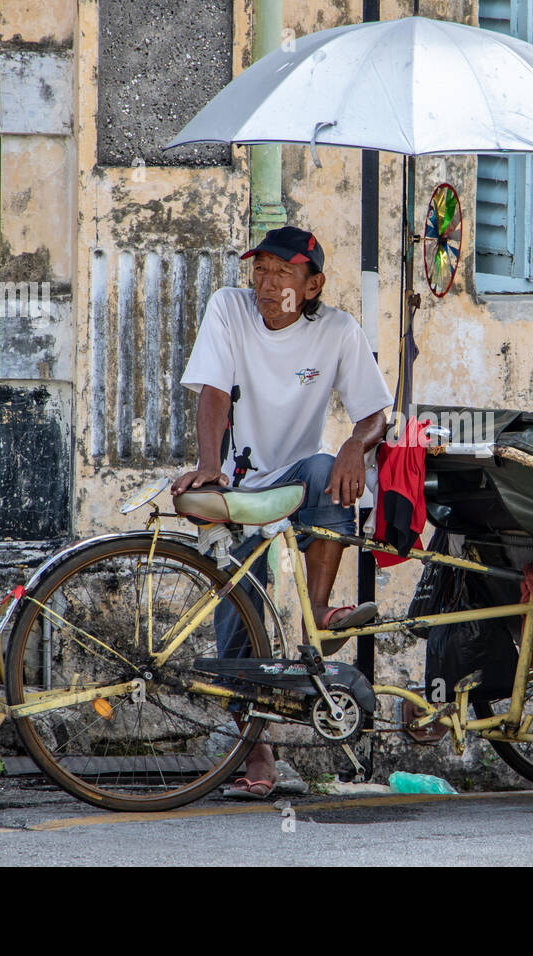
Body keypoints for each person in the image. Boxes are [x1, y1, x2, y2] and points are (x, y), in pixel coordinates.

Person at [172, 225, 392, 797]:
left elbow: (376, 414)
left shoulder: (338, 331)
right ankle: (257, 751)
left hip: (299, 483)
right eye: (260, 269)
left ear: (313, 284)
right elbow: (214, 392)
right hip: (243, 486)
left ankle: (318, 613)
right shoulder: (230, 309)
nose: (267, 284)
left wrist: (354, 446)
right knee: (238, 616)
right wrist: (209, 464)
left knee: (329, 469)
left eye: (283, 273)